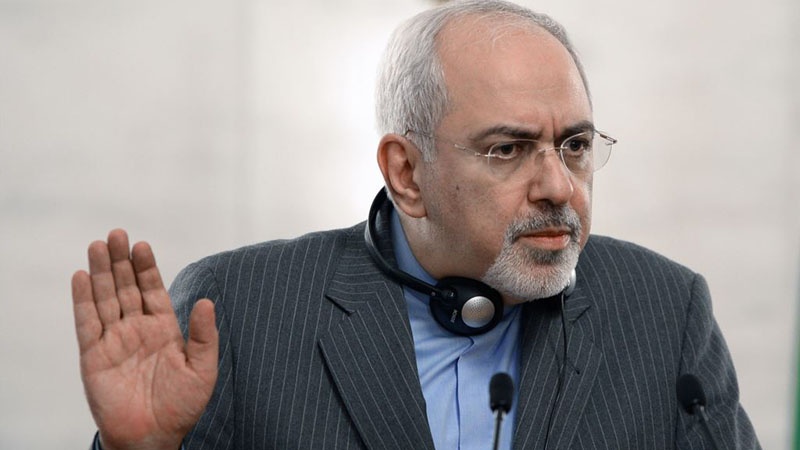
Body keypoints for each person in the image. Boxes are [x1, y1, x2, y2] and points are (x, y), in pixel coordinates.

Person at [71, 1, 761, 449]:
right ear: (406, 173)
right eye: (508, 149)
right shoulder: (243, 310)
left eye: (575, 145)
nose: (558, 186)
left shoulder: (665, 310)